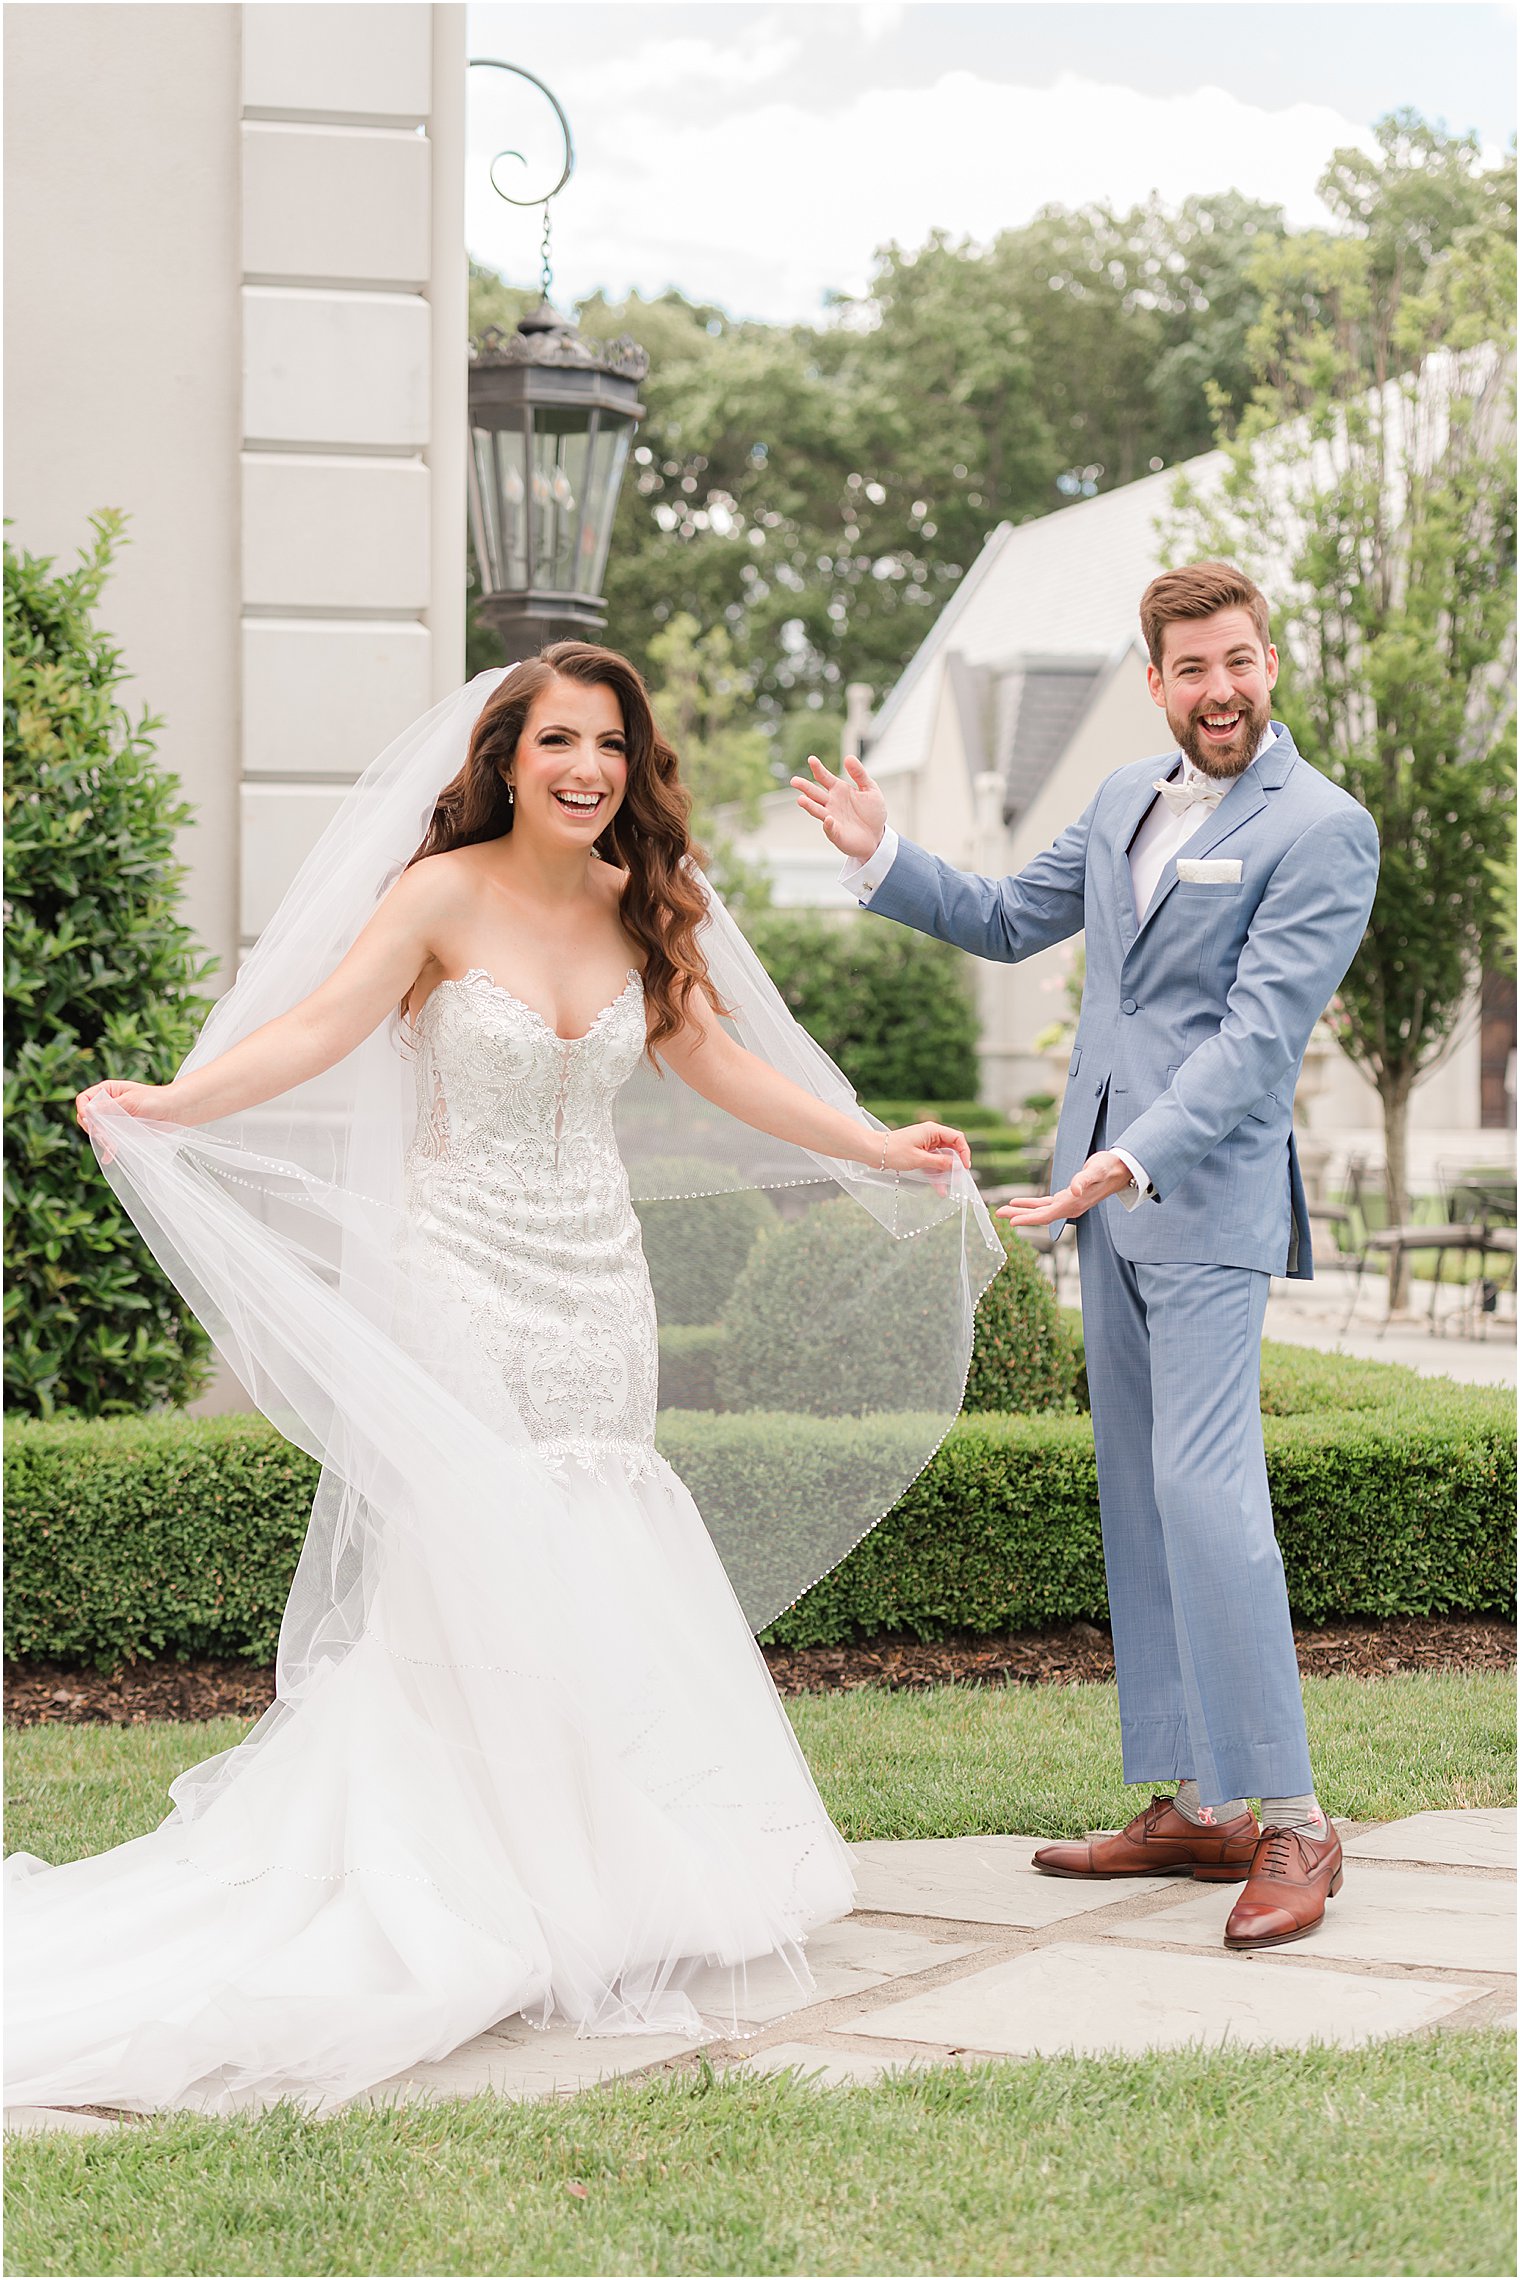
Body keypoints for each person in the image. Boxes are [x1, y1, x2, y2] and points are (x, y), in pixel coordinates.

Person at [8, 643, 993, 2116]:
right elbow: (317, 1028)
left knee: (591, 1551)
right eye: (559, 745)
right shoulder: (441, 893)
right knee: (469, 1564)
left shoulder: (638, 904)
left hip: (600, 1288)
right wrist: (169, 1101)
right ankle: (459, 1880)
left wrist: (873, 1147)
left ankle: (585, 1876)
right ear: (508, 761)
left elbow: (716, 1062)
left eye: (610, 744)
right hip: (458, 1274)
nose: (588, 769)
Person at [794, 562, 1380, 1951]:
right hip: (1096, 1201)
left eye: (1238, 661)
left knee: (1206, 1486)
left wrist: (1136, 1155)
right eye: (1191, 669)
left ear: (1270, 663)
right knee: (1139, 1489)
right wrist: (881, 856)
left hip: (1202, 1197)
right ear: (1159, 678)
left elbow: (1256, 1038)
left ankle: (1293, 1820)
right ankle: (1197, 1805)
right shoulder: (1123, 798)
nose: (1218, 689)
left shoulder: (1323, 828)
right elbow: (1007, 920)